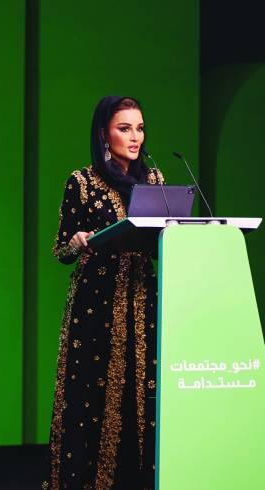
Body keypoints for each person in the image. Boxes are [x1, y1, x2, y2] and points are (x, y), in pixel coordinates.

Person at [43, 96, 164, 490]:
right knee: (90, 401)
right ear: (103, 134)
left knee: (143, 396)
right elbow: (60, 249)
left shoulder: (155, 180)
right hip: (97, 306)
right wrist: (78, 240)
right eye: (124, 128)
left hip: (143, 300)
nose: (135, 137)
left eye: (140, 128)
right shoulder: (82, 182)